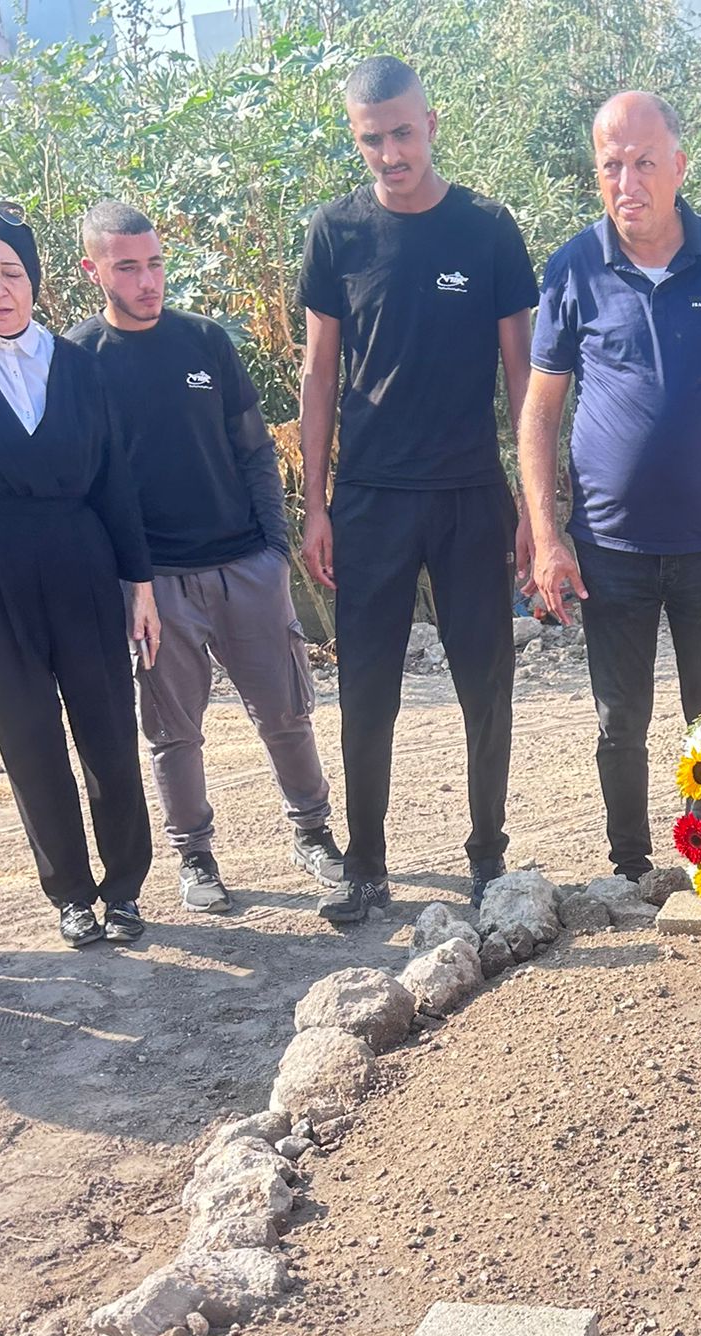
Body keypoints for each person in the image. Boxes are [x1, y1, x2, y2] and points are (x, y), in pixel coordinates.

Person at [520, 91, 701, 882]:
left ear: (679, 165)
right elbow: (539, 412)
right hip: (609, 549)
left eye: (644, 162)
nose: (627, 181)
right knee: (620, 722)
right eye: (611, 164)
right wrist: (546, 536)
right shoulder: (574, 266)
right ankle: (630, 869)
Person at [298, 54, 538, 924]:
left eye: (403, 133)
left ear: (431, 125)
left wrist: (535, 511)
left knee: (486, 683)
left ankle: (487, 856)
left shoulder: (488, 229)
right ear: (356, 139)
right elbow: (319, 373)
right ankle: (365, 865)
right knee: (368, 690)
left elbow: (527, 378)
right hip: (370, 497)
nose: (391, 153)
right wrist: (315, 504)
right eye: (372, 139)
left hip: (472, 493)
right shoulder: (336, 233)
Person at [70, 201, 342, 915]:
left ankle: (314, 834)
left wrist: (272, 551)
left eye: (155, 264)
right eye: (127, 268)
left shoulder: (204, 341)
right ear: (93, 270)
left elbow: (253, 449)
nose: (147, 281)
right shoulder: (79, 359)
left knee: (286, 712)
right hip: (154, 582)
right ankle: (194, 855)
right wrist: (127, 581)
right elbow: (85, 481)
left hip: (244, 567)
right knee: (172, 732)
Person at [0, 202, 158, 947]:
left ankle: (124, 888)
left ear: (35, 280)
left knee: (108, 727)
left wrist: (140, 584)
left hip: (80, 555)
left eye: (12, 272)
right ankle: (70, 893)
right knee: (29, 735)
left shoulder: (77, 364)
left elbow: (115, 481)